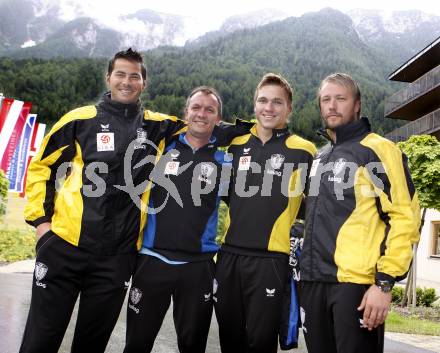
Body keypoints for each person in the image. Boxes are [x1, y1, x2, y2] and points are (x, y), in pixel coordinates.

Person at [20, 48, 186, 353]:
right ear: (108, 78)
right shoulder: (80, 119)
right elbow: (41, 167)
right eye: (120, 74)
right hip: (64, 248)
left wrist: (251, 129)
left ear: (143, 83)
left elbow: (205, 126)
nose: (126, 81)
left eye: (134, 76)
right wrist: (42, 224)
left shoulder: (157, 126)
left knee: (91, 345)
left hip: (116, 258)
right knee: (40, 340)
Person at [299, 73, 421, 353]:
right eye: (326, 99)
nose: (332, 106)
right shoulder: (320, 157)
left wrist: (385, 283)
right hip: (313, 282)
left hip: (356, 287)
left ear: (357, 105)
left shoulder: (379, 150)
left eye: (340, 98)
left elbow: (404, 217)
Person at [214, 73, 317, 353]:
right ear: (254, 104)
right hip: (229, 256)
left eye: (277, 102)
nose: (268, 108)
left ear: (289, 108)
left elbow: (317, 207)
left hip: (271, 260)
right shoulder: (235, 146)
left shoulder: (305, 151)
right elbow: (224, 194)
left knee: (260, 343)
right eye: (263, 100)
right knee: (229, 339)